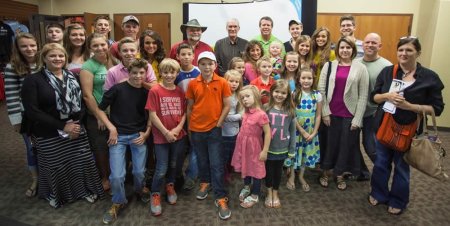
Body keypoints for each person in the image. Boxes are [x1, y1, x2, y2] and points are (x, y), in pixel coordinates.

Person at [21, 43, 104, 208]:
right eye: (52, 56)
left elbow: (81, 103)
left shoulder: (72, 76)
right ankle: (58, 195)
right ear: (44, 58)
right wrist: (62, 126)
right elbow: (32, 111)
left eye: (60, 56)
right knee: (57, 166)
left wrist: (76, 125)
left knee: (82, 162)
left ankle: (84, 191)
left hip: (76, 128)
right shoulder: (33, 80)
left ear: (65, 58)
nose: (57, 59)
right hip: (48, 131)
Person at [368, 37, 444, 215]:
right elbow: (374, 97)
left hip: (409, 130)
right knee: (380, 164)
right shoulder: (388, 72)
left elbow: (437, 109)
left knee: (402, 167)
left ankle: (398, 200)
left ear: (418, 53)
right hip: (384, 127)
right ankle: (378, 193)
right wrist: (387, 96)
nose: (404, 54)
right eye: (401, 50)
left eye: (409, 50)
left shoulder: (430, 77)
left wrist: (411, 107)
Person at [97, 59, 151, 224]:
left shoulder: (147, 92)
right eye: (134, 73)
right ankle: (118, 201)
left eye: (142, 73)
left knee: (139, 172)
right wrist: (111, 127)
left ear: (146, 74)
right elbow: (100, 109)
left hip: (138, 135)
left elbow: (152, 115)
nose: (138, 76)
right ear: (128, 72)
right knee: (117, 176)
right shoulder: (117, 89)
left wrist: (147, 133)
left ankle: (139, 189)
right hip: (118, 137)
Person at [317, 36, 369, 191]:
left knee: (345, 146)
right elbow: (321, 90)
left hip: (350, 115)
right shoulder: (329, 66)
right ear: (337, 50)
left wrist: (358, 119)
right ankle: (325, 173)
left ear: (353, 50)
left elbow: (363, 95)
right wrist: (325, 112)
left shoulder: (361, 68)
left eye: (348, 47)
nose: (345, 50)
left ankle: (339, 174)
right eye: (342, 47)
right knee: (329, 145)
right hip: (331, 114)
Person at [186, 51, 231, 220]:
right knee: (202, 160)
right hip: (196, 129)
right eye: (203, 64)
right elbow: (190, 107)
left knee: (217, 164)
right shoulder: (192, 83)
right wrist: (190, 128)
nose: (207, 67)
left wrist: (218, 123)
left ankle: (220, 197)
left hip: (214, 129)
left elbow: (227, 105)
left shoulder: (222, 82)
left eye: (210, 63)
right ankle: (205, 182)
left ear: (215, 65)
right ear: (198, 65)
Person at [146, 58, 187, 216]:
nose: (169, 75)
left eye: (172, 72)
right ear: (160, 73)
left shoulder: (179, 91)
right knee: (161, 168)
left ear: (177, 74)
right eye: (165, 72)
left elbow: (183, 113)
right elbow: (152, 114)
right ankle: (155, 193)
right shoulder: (155, 90)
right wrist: (166, 132)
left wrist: (177, 129)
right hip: (161, 137)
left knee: (174, 164)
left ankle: (170, 186)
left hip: (178, 135)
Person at [80, 33, 117, 193]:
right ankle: (104, 177)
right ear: (90, 48)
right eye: (95, 46)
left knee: (115, 145)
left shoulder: (113, 61)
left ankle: (116, 174)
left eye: (102, 44)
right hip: (97, 115)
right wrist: (98, 116)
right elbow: (87, 95)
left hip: (115, 111)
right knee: (100, 147)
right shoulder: (88, 66)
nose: (100, 48)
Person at [4, 33, 40, 197]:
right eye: (24, 46)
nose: (29, 49)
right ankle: (35, 179)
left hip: (46, 114)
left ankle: (48, 177)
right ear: (17, 48)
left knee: (47, 148)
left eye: (32, 45)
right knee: (31, 148)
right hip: (26, 116)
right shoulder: (12, 67)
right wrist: (16, 121)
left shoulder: (44, 62)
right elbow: (11, 95)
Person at [355, 33, 392, 181]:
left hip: (374, 113)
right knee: (352, 145)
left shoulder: (387, 66)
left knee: (370, 145)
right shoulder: (355, 63)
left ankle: (383, 171)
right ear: (362, 45)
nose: (370, 45)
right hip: (355, 111)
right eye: (367, 42)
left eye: (374, 43)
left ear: (380, 46)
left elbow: (390, 93)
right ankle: (363, 172)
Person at [231, 85, 271, 208]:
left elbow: (268, 133)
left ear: (256, 96)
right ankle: (247, 186)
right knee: (245, 166)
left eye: (248, 96)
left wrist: (265, 151)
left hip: (255, 148)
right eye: (242, 98)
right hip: (243, 146)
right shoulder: (244, 113)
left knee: (256, 170)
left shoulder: (261, 114)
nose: (245, 100)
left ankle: (255, 195)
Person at [288, 67, 322, 192]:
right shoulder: (295, 93)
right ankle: (291, 175)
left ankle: (301, 176)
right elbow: (292, 114)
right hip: (297, 130)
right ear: (299, 79)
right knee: (293, 153)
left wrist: (314, 132)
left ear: (313, 79)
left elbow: (318, 115)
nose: (306, 81)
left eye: (309, 78)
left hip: (310, 131)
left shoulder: (317, 95)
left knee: (305, 154)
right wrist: (301, 131)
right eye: (303, 78)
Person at [264, 79, 296, 208]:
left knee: (278, 172)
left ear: (288, 95)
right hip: (268, 148)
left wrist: (291, 151)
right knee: (268, 172)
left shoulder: (290, 111)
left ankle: (275, 193)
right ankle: (269, 193)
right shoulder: (266, 108)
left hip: (282, 149)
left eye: (283, 93)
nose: (279, 95)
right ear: (272, 92)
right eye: (277, 91)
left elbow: (293, 132)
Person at [174, 43, 201, 191]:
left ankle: (191, 176)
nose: (186, 57)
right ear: (177, 56)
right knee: (180, 148)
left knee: (195, 148)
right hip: (178, 116)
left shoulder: (199, 72)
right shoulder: (175, 73)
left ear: (193, 56)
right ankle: (177, 176)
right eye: (182, 54)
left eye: (188, 54)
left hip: (196, 116)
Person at [222, 70, 243, 184]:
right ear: (225, 81)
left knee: (232, 153)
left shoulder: (237, 94)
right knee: (224, 154)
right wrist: (239, 116)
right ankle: (224, 173)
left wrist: (239, 115)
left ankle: (229, 171)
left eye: (237, 82)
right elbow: (224, 116)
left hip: (235, 131)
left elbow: (241, 109)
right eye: (231, 81)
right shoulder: (222, 94)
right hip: (223, 131)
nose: (234, 84)